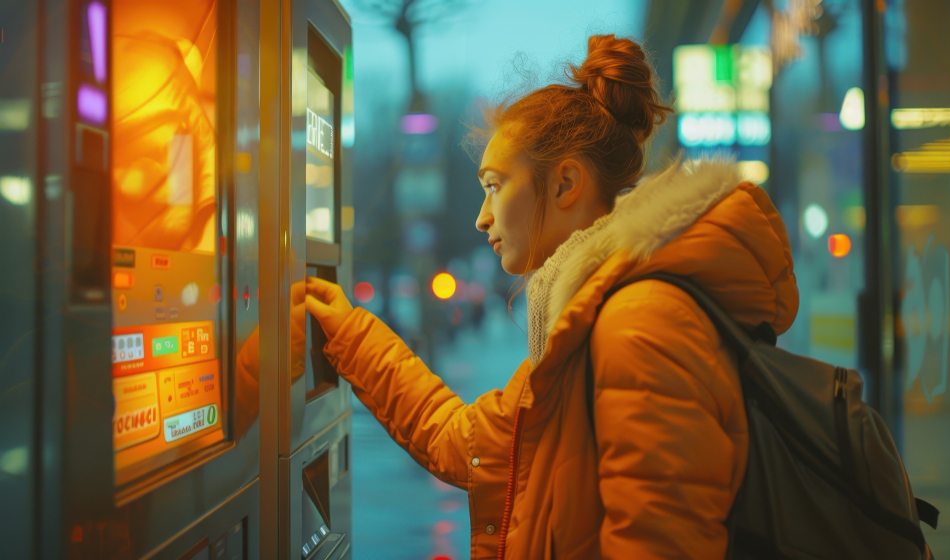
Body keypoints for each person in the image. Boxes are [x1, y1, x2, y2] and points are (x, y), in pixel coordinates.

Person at [305, 34, 798, 560]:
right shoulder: (584, 330)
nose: (481, 216)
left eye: (495, 185)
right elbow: (466, 442)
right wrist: (349, 333)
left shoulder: (638, 325)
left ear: (565, 183)